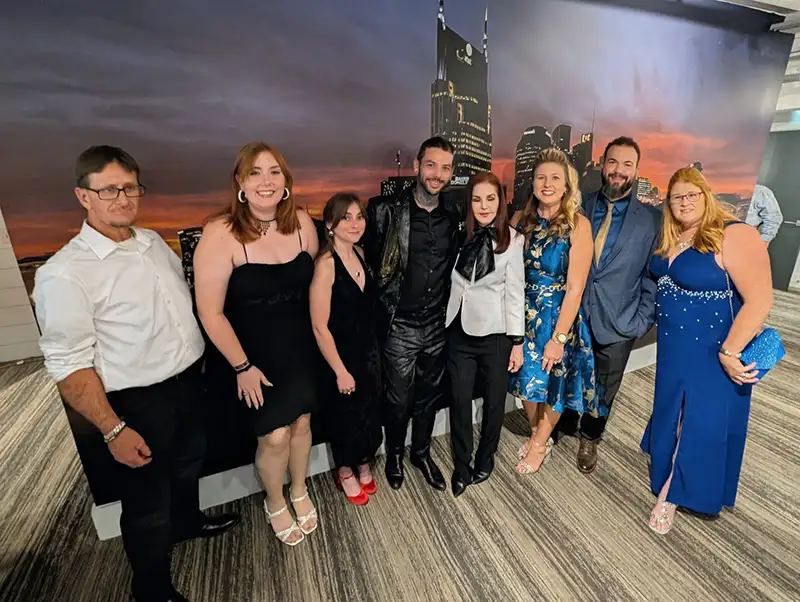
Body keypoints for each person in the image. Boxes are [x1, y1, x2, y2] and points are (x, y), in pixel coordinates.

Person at [33, 146, 239, 602]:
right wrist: (111, 429)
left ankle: (187, 524)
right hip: (136, 402)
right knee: (146, 506)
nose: (123, 198)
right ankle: (152, 589)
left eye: (130, 188)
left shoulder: (152, 243)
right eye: (109, 189)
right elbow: (68, 365)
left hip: (187, 384)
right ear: (83, 196)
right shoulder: (64, 273)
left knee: (188, 467)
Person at [194, 142, 319, 547]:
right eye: (255, 172)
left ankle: (299, 489)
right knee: (275, 435)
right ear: (240, 182)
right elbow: (210, 313)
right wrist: (242, 367)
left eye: (274, 172)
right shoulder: (220, 233)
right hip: (252, 357)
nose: (266, 181)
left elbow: (311, 286)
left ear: (285, 182)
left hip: (300, 348)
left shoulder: (302, 221)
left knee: (302, 423)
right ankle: (275, 499)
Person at [641, 166, 773, 534]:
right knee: (673, 409)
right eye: (676, 197)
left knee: (700, 420)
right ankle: (668, 472)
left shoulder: (735, 235)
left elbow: (760, 300)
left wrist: (730, 352)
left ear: (706, 194)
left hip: (713, 348)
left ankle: (673, 493)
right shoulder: (672, 236)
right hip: (672, 347)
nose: (683, 203)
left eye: (691, 195)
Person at [362, 136, 464, 491]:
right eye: (431, 165)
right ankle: (394, 455)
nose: (437, 174)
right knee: (397, 397)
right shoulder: (384, 210)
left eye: (445, 168)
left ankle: (420, 452)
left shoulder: (454, 213)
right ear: (418, 166)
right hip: (399, 324)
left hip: (438, 323)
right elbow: (370, 266)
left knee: (429, 395)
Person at [555, 137, 661, 474]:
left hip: (620, 321)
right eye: (613, 163)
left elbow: (652, 275)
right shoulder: (579, 205)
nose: (618, 171)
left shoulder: (651, 220)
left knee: (604, 387)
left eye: (627, 165)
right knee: (570, 374)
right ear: (603, 163)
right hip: (575, 316)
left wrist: (642, 320)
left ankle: (590, 437)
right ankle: (568, 420)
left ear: (636, 170)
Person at [509, 148, 598, 474]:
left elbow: (576, 287)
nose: (547, 184)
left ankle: (539, 444)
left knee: (553, 385)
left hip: (557, 317)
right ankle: (539, 434)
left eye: (555, 178)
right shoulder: (520, 219)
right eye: (541, 177)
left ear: (566, 186)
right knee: (524, 383)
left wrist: (559, 337)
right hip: (521, 316)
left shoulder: (578, 225)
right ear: (532, 182)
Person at [445, 171, 524, 496]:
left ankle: (486, 455)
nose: (483, 205)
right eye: (477, 199)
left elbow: (515, 293)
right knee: (460, 402)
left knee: (493, 404)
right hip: (458, 330)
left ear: (501, 201)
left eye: (490, 198)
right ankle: (461, 464)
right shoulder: (458, 233)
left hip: (496, 335)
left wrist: (517, 343)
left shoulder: (514, 240)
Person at [309, 193, 383, 505]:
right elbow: (318, 326)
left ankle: (363, 461)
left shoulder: (362, 253)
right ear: (330, 224)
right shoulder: (325, 264)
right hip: (340, 358)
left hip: (369, 352)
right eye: (346, 218)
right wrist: (340, 370)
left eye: (359, 216)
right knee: (344, 418)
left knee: (368, 414)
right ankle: (344, 471)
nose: (355, 224)